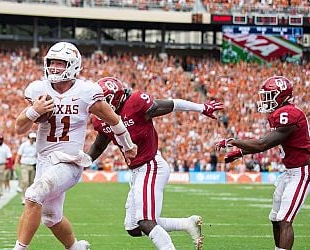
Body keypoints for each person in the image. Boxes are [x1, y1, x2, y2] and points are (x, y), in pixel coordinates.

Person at [12, 42, 137, 250]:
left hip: (69, 161)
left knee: (33, 195)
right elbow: (19, 128)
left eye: (60, 64)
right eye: (52, 63)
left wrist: (128, 146)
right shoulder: (38, 89)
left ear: (72, 66)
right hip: (44, 160)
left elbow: (114, 120)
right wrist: (35, 110)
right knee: (51, 218)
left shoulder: (86, 91)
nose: (54, 68)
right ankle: (76, 247)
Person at [88, 77, 223, 250]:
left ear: (116, 98)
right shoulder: (101, 120)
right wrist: (80, 163)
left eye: (103, 100)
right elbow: (99, 145)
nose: (99, 105)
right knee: (134, 228)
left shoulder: (136, 103)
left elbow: (172, 104)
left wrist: (201, 108)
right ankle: (186, 224)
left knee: (145, 221)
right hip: (137, 171)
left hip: (151, 165)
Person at [214, 76, 310, 250]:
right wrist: (240, 152)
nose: (265, 99)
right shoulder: (281, 114)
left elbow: (263, 144)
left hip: (301, 174)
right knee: (275, 218)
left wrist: (233, 141)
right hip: (289, 173)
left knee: (285, 220)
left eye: (269, 95)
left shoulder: (290, 114)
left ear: (281, 96)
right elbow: (268, 142)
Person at [14, 132, 37, 205]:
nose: (33, 139)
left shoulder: (36, 145)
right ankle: (23, 197)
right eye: (32, 138)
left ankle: (29, 198)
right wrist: (15, 164)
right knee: (25, 181)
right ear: (29, 138)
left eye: (34, 138)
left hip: (33, 165)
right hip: (24, 165)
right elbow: (18, 155)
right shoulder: (24, 145)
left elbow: (38, 155)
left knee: (31, 182)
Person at [0, 133, 13, 198]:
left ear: (3, 140)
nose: (0, 140)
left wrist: (8, 166)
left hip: (1, 165)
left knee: (0, 181)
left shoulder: (6, 147)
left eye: (1, 139)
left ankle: (0, 194)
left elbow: (9, 157)